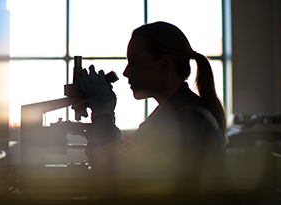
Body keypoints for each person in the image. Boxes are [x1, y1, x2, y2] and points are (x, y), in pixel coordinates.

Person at [79, 21, 238, 204]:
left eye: (135, 62)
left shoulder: (187, 121)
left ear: (164, 64)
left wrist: (103, 115)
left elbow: (120, 181)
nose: (126, 72)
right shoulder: (176, 113)